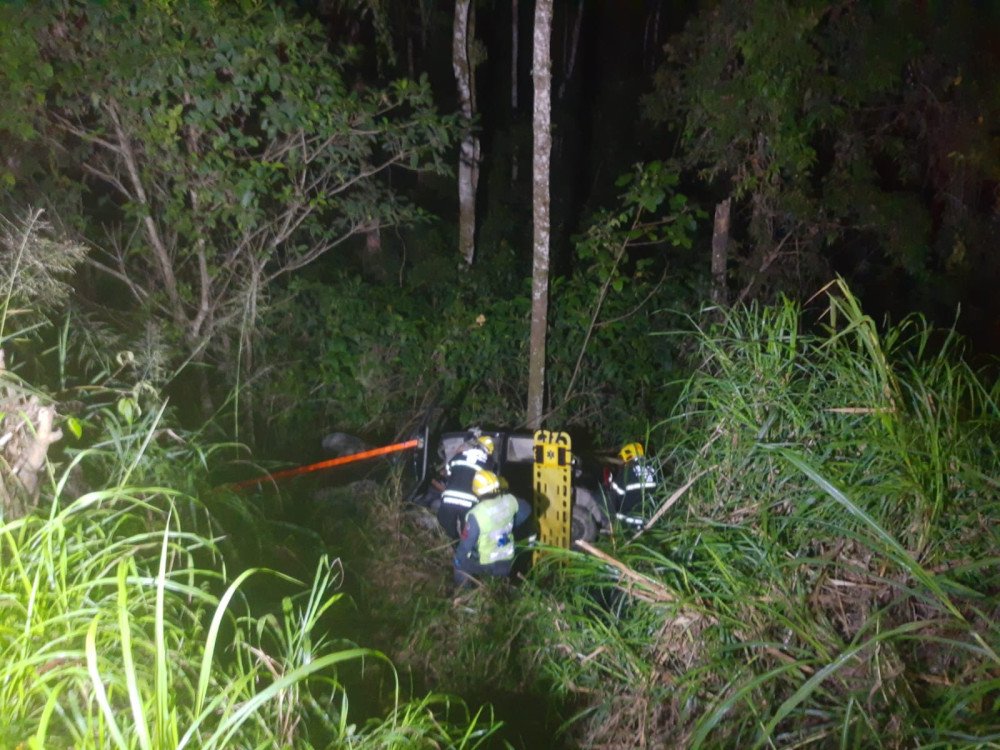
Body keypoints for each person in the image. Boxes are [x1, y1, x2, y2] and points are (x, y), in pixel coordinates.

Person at [453, 469, 532, 587]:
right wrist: (511, 527)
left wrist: (458, 559)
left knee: (459, 563)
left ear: (476, 491)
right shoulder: (510, 500)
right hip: (508, 561)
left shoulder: (476, 514)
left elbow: (465, 546)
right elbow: (527, 509)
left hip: (488, 565)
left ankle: (466, 595)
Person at [437, 433, 496, 539]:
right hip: (469, 502)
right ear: (488, 451)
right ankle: (466, 553)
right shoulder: (487, 465)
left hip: (449, 499)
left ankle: (452, 549)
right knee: (468, 535)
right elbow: (485, 485)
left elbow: (448, 473)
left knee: (447, 534)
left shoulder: (459, 456)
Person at [605, 442, 660, 527]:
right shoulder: (655, 469)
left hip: (630, 525)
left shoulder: (627, 473)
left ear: (628, 456)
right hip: (653, 522)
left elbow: (613, 500)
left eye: (622, 458)